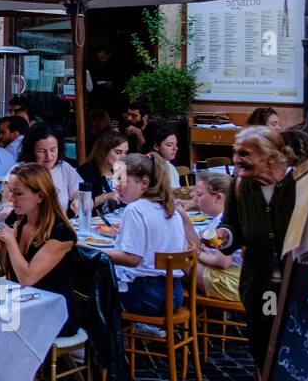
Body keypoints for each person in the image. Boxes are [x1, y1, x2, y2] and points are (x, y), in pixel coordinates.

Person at [211, 127, 303, 370]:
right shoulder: (240, 187)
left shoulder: (302, 184)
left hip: (301, 289)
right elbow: (231, 225)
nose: (236, 160)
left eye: (244, 154)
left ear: (270, 157)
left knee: (301, 349)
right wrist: (222, 237)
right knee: (265, 345)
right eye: (234, 153)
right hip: (264, 287)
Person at [0, 163, 80, 334]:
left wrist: (11, 241)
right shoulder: (18, 218)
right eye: (11, 191)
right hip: (21, 303)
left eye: (18, 193)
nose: (11, 199)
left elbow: (27, 278)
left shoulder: (61, 232)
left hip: (54, 312)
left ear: (40, 196)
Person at [104, 152, 187, 317]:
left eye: (122, 180)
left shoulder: (135, 209)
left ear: (144, 183)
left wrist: (93, 251)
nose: (116, 186)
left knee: (88, 289)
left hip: (145, 296)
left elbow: (133, 258)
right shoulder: (169, 208)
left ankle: (107, 340)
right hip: (174, 295)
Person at [190, 172, 239, 303]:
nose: (194, 198)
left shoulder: (223, 222)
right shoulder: (221, 217)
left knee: (178, 260)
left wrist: (195, 253)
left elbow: (222, 262)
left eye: (199, 195)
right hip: (234, 276)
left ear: (218, 198)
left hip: (230, 282)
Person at [19, 123, 83, 215]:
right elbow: (8, 204)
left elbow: (82, 193)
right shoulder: (20, 171)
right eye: (41, 151)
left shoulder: (64, 168)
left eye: (53, 150)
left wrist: (77, 200)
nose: (48, 156)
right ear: (31, 150)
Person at [78, 129, 129, 213]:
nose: (123, 157)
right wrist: (106, 196)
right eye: (118, 152)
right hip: (95, 222)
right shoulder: (87, 171)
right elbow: (82, 205)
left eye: (125, 153)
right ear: (104, 150)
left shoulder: (120, 169)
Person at [149, 123, 182, 189]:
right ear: (156, 146)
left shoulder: (171, 167)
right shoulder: (151, 167)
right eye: (169, 145)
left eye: (176, 145)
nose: (175, 148)